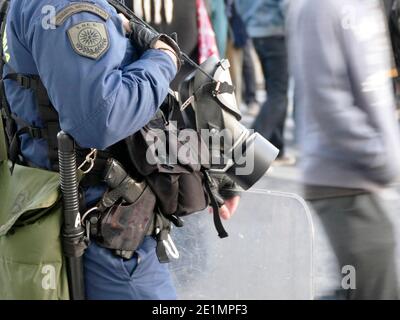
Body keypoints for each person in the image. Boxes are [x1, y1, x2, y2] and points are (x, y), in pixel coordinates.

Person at [1, 0, 239, 300]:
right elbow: (101, 119)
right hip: (105, 235)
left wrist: (220, 174)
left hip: (100, 217)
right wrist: (163, 58)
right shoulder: (72, 7)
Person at [288, 0, 400, 299]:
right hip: (340, 176)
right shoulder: (321, 8)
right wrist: (380, 156)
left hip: (358, 175)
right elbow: (328, 100)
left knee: (365, 287)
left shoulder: (365, 6)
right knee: (371, 288)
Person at [235, 0, 293, 165]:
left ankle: (276, 149)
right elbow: (288, 5)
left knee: (275, 92)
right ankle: (247, 154)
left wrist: (250, 22)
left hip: (257, 32)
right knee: (278, 95)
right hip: (277, 32)